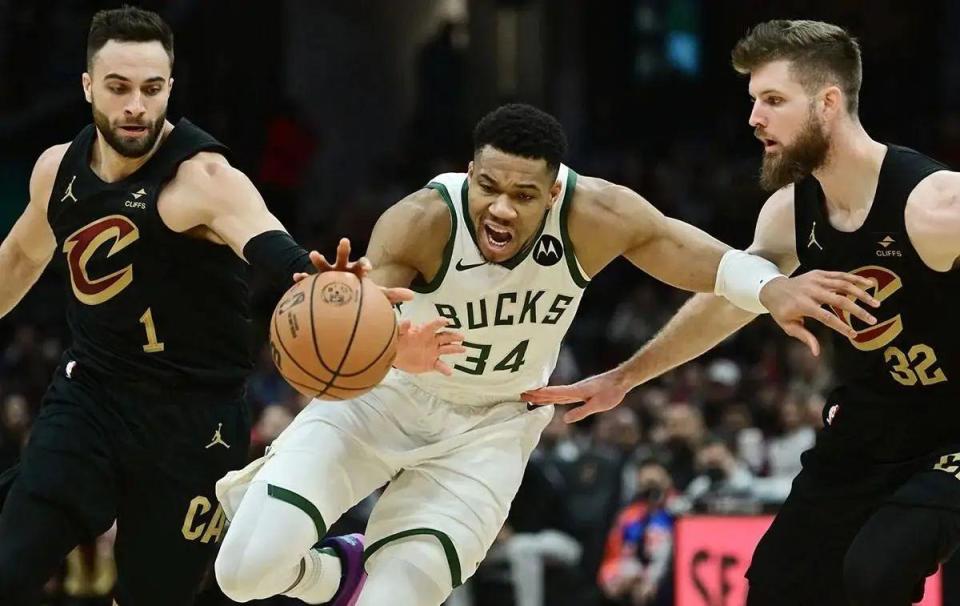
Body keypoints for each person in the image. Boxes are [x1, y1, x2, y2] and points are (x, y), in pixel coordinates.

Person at [213, 102, 876, 606]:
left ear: (555, 192)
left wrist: (771, 288)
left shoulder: (597, 215)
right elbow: (361, 312)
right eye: (488, 187)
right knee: (243, 574)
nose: (501, 209)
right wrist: (384, 343)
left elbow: (700, 258)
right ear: (470, 173)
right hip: (384, 402)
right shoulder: (421, 220)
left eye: (524, 195)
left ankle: (362, 575)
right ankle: (335, 574)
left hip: (489, 431)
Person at [0, 7, 449, 605]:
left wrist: (362, 314)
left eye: (151, 88)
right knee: (10, 565)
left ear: (170, 88)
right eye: (118, 87)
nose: (136, 105)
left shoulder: (205, 179)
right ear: (87, 87)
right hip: (92, 399)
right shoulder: (57, 170)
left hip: (195, 425)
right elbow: (19, 259)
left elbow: (280, 253)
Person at [524, 20, 960, 606]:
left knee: (876, 572)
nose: (754, 118)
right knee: (776, 584)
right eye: (754, 101)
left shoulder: (936, 205)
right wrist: (625, 377)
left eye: (773, 100)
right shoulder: (789, 212)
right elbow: (731, 297)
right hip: (867, 429)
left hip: (952, 433)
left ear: (828, 103)